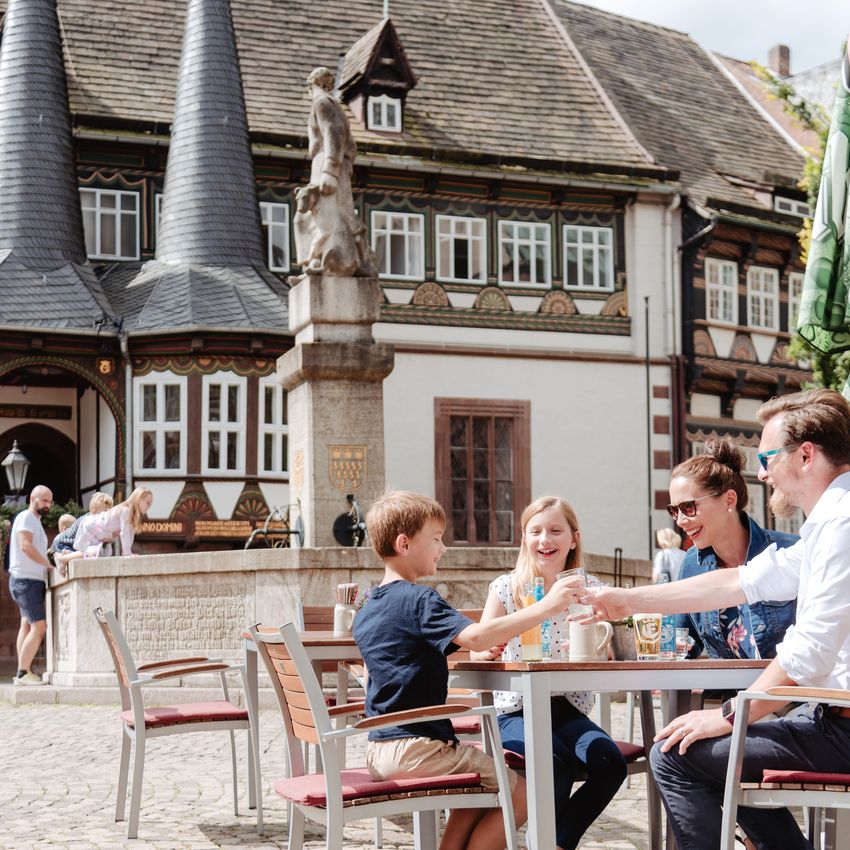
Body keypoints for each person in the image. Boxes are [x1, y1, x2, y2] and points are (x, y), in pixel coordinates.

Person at [580, 388, 850, 850]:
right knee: (709, 748)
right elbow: (740, 582)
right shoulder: (830, 522)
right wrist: (627, 600)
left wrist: (729, 715)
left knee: (674, 753)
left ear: (806, 455)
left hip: (839, 727)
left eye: (767, 457)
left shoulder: (841, 524)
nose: (762, 474)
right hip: (827, 715)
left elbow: (808, 651)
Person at [352, 490, 583, 850]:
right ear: (404, 543)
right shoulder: (420, 599)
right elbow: (475, 637)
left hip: (380, 750)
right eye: (436, 539)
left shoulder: (367, 608)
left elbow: (399, 663)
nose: (442, 548)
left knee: (472, 787)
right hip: (420, 749)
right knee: (525, 793)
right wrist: (546, 607)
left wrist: (477, 645)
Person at [473, 496, 627, 850]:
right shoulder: (506, 588)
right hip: (514, 708)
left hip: (565, 708)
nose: (546, 539)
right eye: (536, 531)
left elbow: (608, 652)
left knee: (609, 763)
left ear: (573, 538)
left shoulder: (591, 589)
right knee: (553, 761)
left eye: (556, 531)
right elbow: (478, 646)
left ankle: (555, 844)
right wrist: (487, 649)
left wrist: (599, 649)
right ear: (525, 539)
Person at [667, 439, 798, 660]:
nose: (680, 521)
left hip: (783, 693)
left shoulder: (788, 551)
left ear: (729, 499)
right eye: (673, 510)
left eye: (688, 507)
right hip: (722, 695)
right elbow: (681, 646)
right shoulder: (691, 564)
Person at [8, 485, 59, 685]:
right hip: (26, 580)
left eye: (50, 501)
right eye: (44, 500)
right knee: (39, 626)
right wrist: (48, 565)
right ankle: (22, 673)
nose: (48, 505)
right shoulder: (27, 517)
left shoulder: (34, 520)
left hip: (28, 580)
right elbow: (25, 545)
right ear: (33, 498)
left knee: (27, 625)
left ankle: (24, 669)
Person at [61, 487, 152, 568]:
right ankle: (63, 559)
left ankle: (67, 555)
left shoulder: (130, 514)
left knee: (95, 553)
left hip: (96, 527)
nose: (149, 506)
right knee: (92, 552)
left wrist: (128, 553)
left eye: (150, 504)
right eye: (148, 503)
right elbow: (125, 533)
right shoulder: (126, 511)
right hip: (93, 526)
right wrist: (127, 554)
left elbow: (129, 534)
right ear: (139, 499)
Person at [51, 492, 114, 569]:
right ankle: (62, 559)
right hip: (63, 543)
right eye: (104, 513)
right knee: (88, 551)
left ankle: (67, 554)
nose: (106, 516)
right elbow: (85, 544)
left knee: (90, 551)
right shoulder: (88, 522)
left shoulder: (98, 521)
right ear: (94, 511)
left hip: (71, 543)